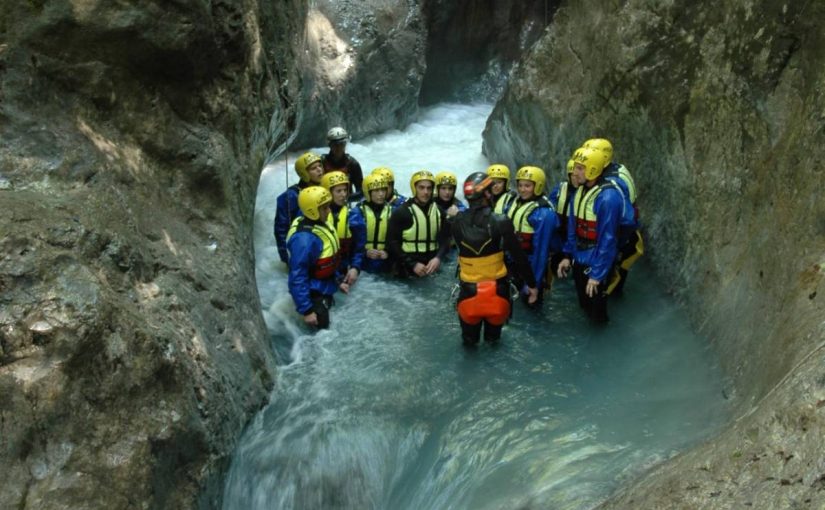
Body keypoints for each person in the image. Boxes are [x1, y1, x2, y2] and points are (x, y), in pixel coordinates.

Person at [453, 172, 538, 346]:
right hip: (497, 294)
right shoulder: (501, 221)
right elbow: (519, 257)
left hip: (468, 294)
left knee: (469, 345)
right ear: (487, 194)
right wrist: (532, 285)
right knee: (494, 344)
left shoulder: (455, 222)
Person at [556, 147, 624, 323]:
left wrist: (597, 274)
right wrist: (567, 255)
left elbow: (608, 239)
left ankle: (602, 339)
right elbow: (572, 227)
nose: (574, 172)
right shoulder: (579, 192)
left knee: (597, 312)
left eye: (580, 168)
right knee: (584, 303)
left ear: (593, 169)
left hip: (596, 258)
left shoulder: (607, 198)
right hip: (580, 255)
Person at [582, 138, 643, 295]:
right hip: (626, 232)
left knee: (607, 285)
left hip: (621, 235)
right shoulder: (617, 169)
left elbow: (620, 221)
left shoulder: (611, 182)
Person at [286, 186, 348, 329]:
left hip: (326, 285)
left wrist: (338, 280)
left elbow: (329, 260)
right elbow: (297, 276)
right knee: (322, 331)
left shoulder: (319, 224)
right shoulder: (304, 240)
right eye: (324, 208)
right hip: (313, 293)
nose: (329, 211)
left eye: (328, 206)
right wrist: (307, 310)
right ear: (312, 211)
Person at [506, 165, 558, 306]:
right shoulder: (514, 203)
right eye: (520, 185)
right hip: (513, 261)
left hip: (531, 265)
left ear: (538, 186)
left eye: (527, 186)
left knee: (531, 304)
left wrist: (533, 282)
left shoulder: (543, 213)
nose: (522, 189)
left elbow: (541, 251)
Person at [386, 170, 451, 278]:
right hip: (406, 268)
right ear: (414, 188)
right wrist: (412, 264)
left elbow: (446, 239)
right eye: (421, 188)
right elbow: (391, 243)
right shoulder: (402, 212)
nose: (426, 192)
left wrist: (438, 258)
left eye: (429, 188)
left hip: (432, 266)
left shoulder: (439, 211)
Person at [274, 152, 324, 263]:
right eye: (313, 168)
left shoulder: (323, 189)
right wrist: (287, 258)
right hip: (301, 248)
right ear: (304, 173)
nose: (319, 170)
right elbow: (281, 230)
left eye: (320, 166)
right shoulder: (290, 196)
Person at [321, 171, 365, 289]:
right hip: (323, 270)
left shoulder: (353, 216)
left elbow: (359, 247)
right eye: (338, 191)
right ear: (327, 192)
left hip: (344, 270)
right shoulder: (318, 216)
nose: (343, 194)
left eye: (345, 190)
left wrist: (355, 268)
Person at [353, 173, 393, 273]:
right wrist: (365, 252)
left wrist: (388, 252)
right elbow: (352, 242)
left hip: (385, 262)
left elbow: (398, 239)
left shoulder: (393, 211)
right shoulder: (357, 213)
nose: (381, 194)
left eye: (383, 190)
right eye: (376, 190)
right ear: (368, 192)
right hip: (363, 262)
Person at [547, 155, 579, 276]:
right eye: (573, 175)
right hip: (559, 232)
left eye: (577, 176)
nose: (576, 179)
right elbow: (550, 204)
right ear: (569, 176)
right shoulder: (560, 188)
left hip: (575, 235)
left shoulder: (585, 193)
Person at [322, 126, 364, 198]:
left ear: (345, 144)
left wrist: (347, 198)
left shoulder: (353, 164)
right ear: (329, 145)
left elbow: (360, 190)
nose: (338, 148)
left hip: (346, 201)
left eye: (341, 144)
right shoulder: (321, 163)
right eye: (335, 145)